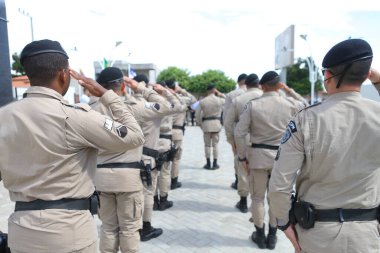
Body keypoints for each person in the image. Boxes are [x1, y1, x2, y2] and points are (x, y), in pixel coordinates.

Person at [0, 39, 144, 253]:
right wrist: (106, 95)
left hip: (22, 233)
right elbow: (134, 135)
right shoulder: (75, 116)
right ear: (63, 74)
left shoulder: (4, 116)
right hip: (70, 234)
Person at [268, 38, 380, 253]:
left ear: (328, 76)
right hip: (367, 235)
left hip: (318, 235)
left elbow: (280, 184)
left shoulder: (305, 120)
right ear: (367, 75)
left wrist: (283, 222)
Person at [234, 71, 306, 250]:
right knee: (275, 197)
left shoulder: (253, 105)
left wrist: (242, 156)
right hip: (282, 159)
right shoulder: (291, 103)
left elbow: (239, 132)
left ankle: (259, 235)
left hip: (257, 157)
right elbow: (307, 106)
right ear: (279, 85)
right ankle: (273, 237)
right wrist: (289, 91)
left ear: (262, 86)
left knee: (257, 198)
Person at [224, 73, 263, 213]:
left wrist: (232, 142)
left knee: (242, 169)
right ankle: (259, 202)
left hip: (243, 139)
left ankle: (243, 202)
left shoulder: (238, 99)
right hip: (265, 141)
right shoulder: (267, 97)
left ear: (246, 85)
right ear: (259, 84)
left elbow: (227, 123)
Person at [166, 80, 196, 189]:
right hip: (177, 132)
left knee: (163, 159)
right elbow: (194, 101)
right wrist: (181, 90)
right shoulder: (181, 99)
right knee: (176, 158)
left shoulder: (162, 99)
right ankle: (174, 181)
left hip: (162, 133)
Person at [224, 73, 247, 188]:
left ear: (238, 82)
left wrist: (231, 139)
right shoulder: (260, 94)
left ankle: (239, 181)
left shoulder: (231, 95)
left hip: (237, 130)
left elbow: (227, 119)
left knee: (238, 158)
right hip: (256, 133)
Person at [196, 84, 226, 169]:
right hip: (216, 124)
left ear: (207, 90)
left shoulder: (203, 101)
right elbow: (228, 100)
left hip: (206, 124)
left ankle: (208, 163)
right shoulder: (219, 100)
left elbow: (197, 115)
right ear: (214, 90)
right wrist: (220, 94)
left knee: (207, 145)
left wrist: (199, 124)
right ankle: (215, 163)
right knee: (215, 145)